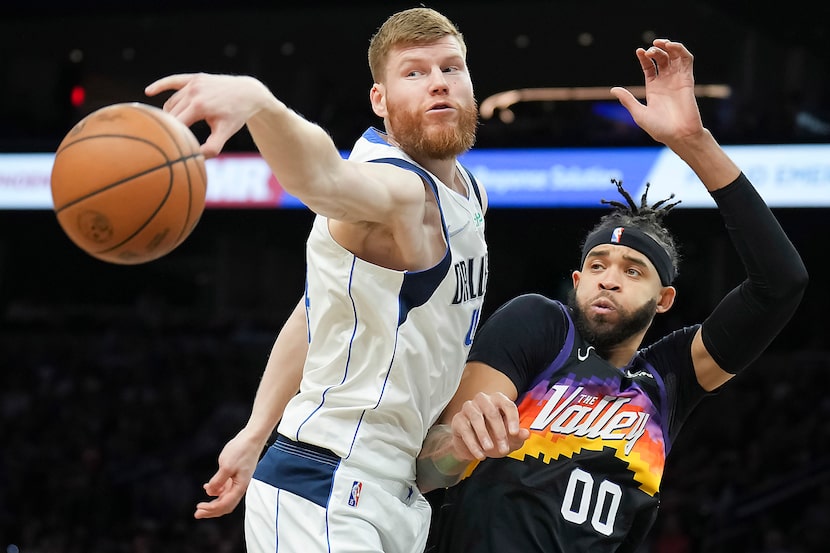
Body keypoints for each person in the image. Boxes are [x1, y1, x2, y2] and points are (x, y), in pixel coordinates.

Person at [416, 38, 808, 552]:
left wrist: (693, 142)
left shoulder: (666, 381)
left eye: (633, 270)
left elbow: (781, 284)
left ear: (664, 299)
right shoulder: (541, 325)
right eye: (597, 265)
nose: (609, 277)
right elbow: (428, 469)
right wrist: (458, 449)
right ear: (578, 281)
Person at [144, 7, 489, 553]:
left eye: (451, 68)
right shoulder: (398, 192)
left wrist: (256, 430)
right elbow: (324, 177)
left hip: (390, 491)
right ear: (379, 100)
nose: (439, 83)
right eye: (415, 72)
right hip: (328, 486)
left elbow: (316, 312)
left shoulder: (467, 190)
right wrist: (260, 103)